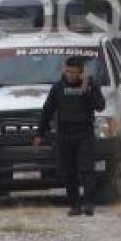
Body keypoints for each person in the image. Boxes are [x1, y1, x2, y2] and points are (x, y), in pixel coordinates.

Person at [33, 56, 106, 216]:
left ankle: (88, 203)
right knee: (68, 171)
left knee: (87, 170)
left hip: (84, 133)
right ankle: (75, 205)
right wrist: (40, 133)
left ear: (81, 73)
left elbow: (100, 106)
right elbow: (47, 111)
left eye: (74, 73)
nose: (71, 75)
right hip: (64, 135)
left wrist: (87, 87)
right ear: (64, 71)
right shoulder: (58, 88)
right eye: (68, 72)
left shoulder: (91, 85)